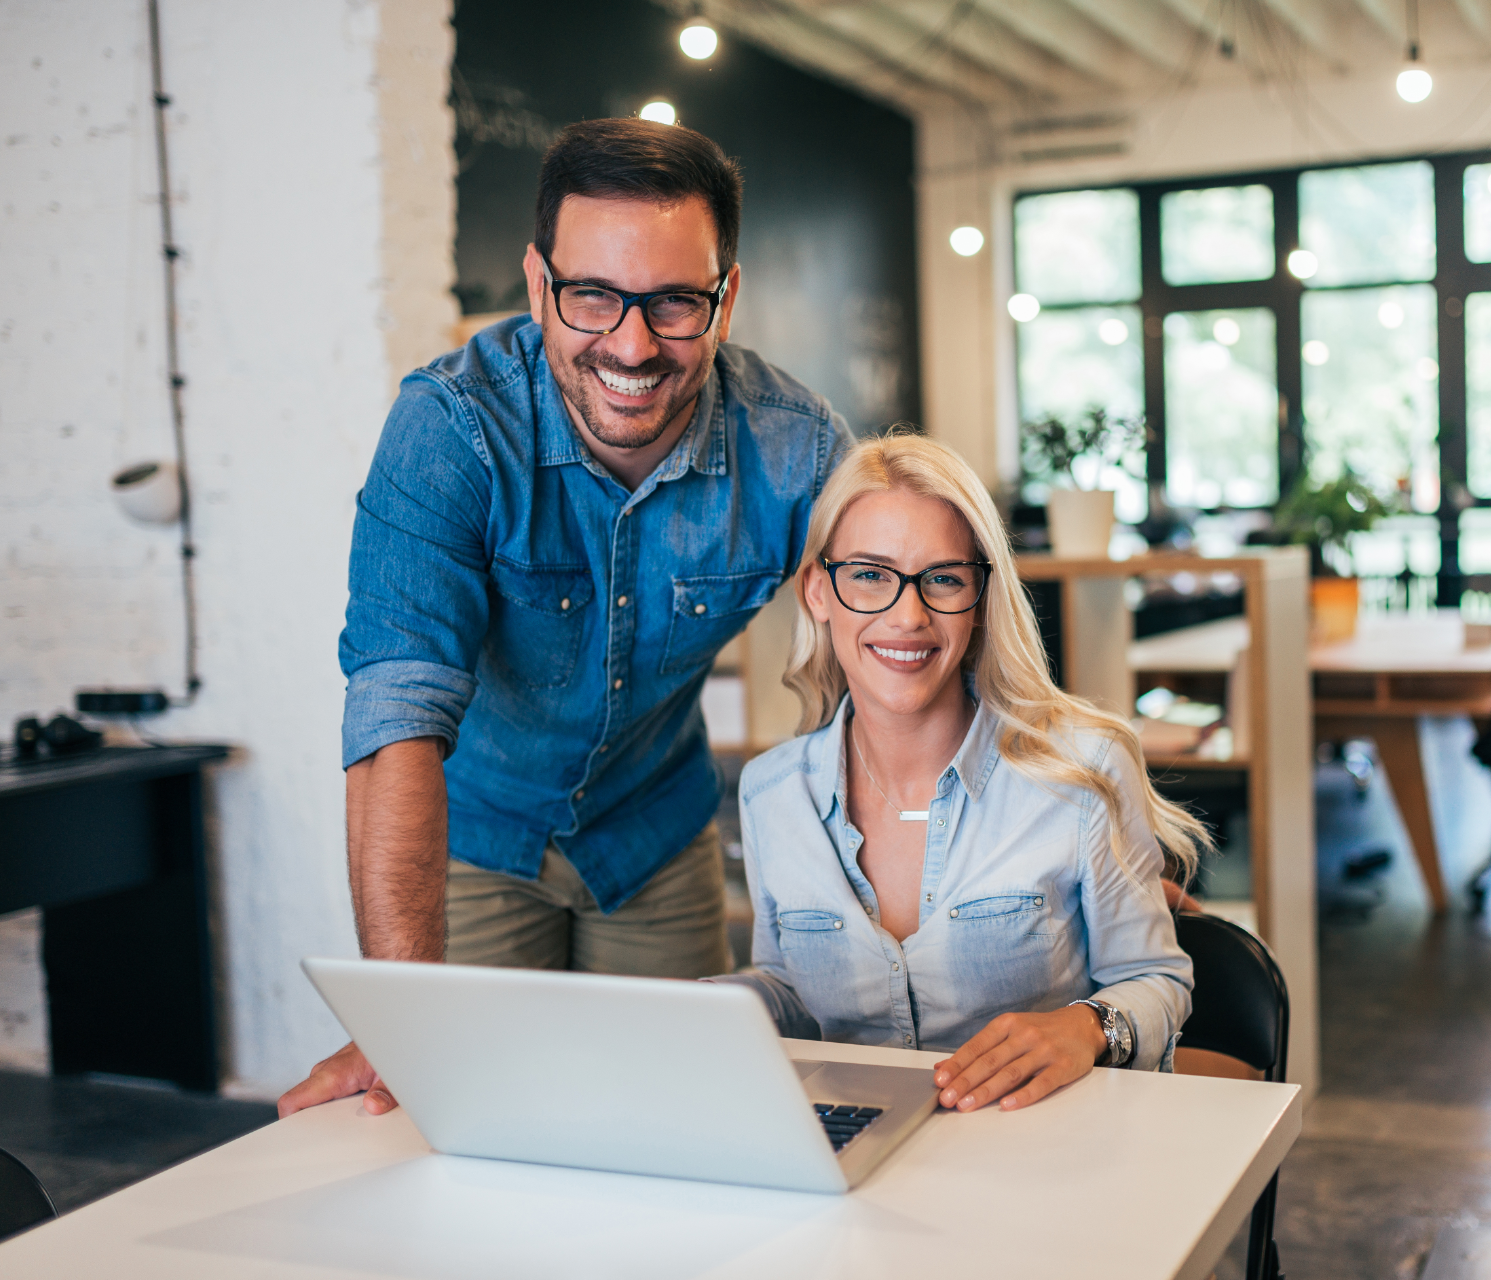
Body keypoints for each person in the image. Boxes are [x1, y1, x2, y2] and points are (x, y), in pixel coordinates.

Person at [278, 118, 852, 1117]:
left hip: (654, 834)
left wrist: (1076, 834)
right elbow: (394, 718)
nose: (631, 345)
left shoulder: (795, 449)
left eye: (675, 302)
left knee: (679, 1125)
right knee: (467, 1125)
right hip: (472, 835)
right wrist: (403, 1016)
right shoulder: (451, 429)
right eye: (592, 296)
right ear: (540, 284)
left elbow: (921, 642)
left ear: (726, 297)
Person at [711, 433, 1205, 1112]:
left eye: (943, 579)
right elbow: (793, 992)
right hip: (856, 1153)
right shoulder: (772, 794)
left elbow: (1156, 979)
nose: (907, 616)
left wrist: (1086, 1028)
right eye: (870, 575)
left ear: (979, 598)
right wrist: (706, 1006)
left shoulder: (1082, 771)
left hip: (1042, 1153)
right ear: (818, 592)